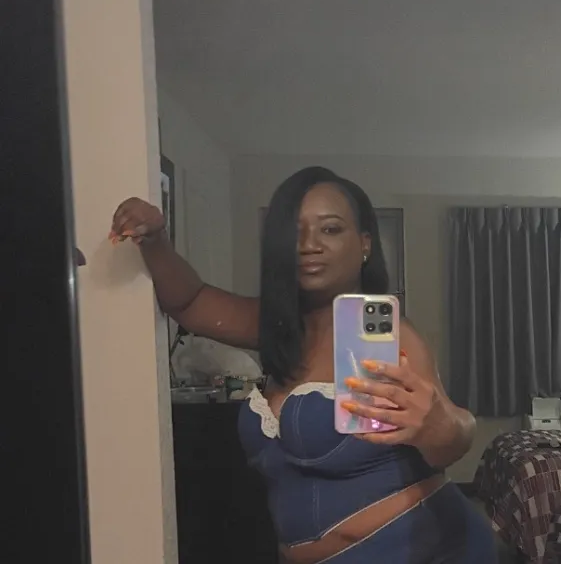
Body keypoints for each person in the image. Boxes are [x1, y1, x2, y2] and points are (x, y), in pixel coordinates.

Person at [112, 166, 498, 564]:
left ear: (364, 244)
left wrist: (441, 426)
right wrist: (155, 240)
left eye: (330, 229)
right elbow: (189, 302)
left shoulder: (390, 336)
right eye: (294, 232)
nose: (309, 245)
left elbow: (453, 434)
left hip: (425, 551)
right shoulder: (277, 328)